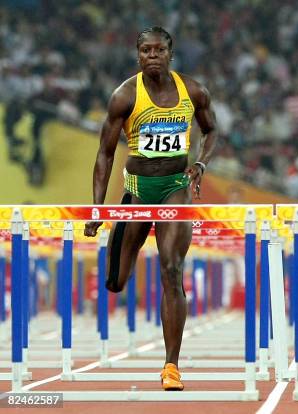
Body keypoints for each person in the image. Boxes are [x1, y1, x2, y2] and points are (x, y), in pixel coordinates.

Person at [83, 27, 217, 390]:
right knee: (115, 281)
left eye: (159, 50)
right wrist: (99, 209)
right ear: (138, 55)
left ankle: (170, 366)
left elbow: (211, 130)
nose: (152, 55)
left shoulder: (192, 91)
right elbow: (105, 154)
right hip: (138, 192)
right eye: (146, 50)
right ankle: (120, 260)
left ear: (170, 54)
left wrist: (200, 164)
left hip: (175, 189)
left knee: (172, 269)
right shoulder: (125, 96)